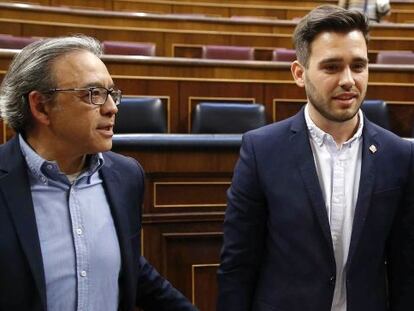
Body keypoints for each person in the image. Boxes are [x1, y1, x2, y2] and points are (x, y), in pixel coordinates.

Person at [217, 5, 414, 311]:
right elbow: (237, 265)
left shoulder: (400, 155)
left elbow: (406, 270)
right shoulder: (261, 150)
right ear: (299, 73)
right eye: (332, 67)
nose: (348, 80)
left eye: (358, 66)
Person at [0, 35, 198, 311]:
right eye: (93, 94)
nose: (112, 108)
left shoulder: (126, 176)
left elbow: (130, 269)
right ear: (41, 106)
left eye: (112, 93)